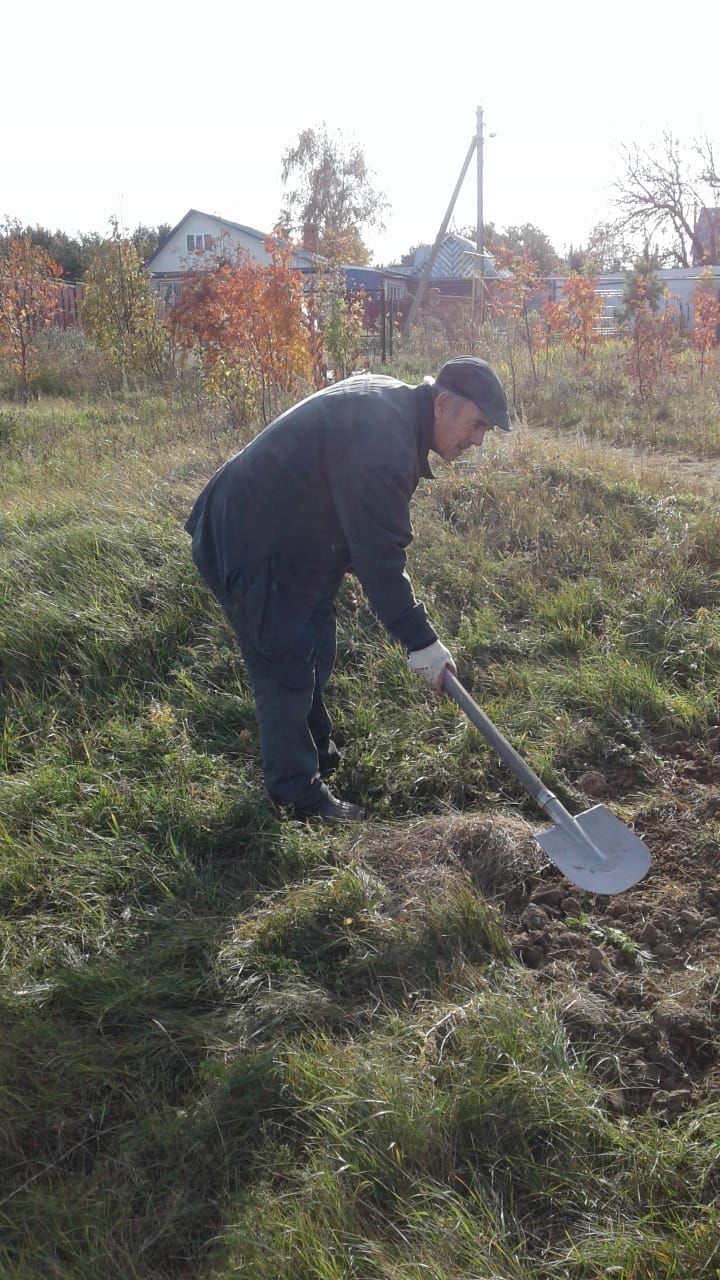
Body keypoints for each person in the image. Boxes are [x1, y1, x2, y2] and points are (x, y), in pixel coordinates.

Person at [185, 356, 510, 824]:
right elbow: (381, 558)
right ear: (442, 404)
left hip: (291, 537)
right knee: (285, 666)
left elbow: (351, 500)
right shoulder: (387, 442)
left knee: (315, 646)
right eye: (477, 424)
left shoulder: (398, 409)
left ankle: (316, 754)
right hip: (250, 541)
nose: (478, 440)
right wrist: (420, 641)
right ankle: (297, 798)